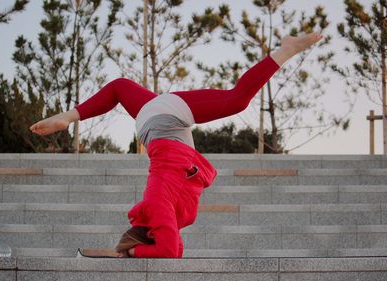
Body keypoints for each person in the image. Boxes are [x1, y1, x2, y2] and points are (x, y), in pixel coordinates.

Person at [30, 33, 323, 258]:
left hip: (164, 122)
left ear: (148, 236)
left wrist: (130, 252)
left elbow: (168, 252)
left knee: (238, 99)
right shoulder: (166, 212)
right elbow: (175, 250)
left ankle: (286, 50)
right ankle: (70, 116)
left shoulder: (158, 206)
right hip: (153, 126)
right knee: (120, 87)